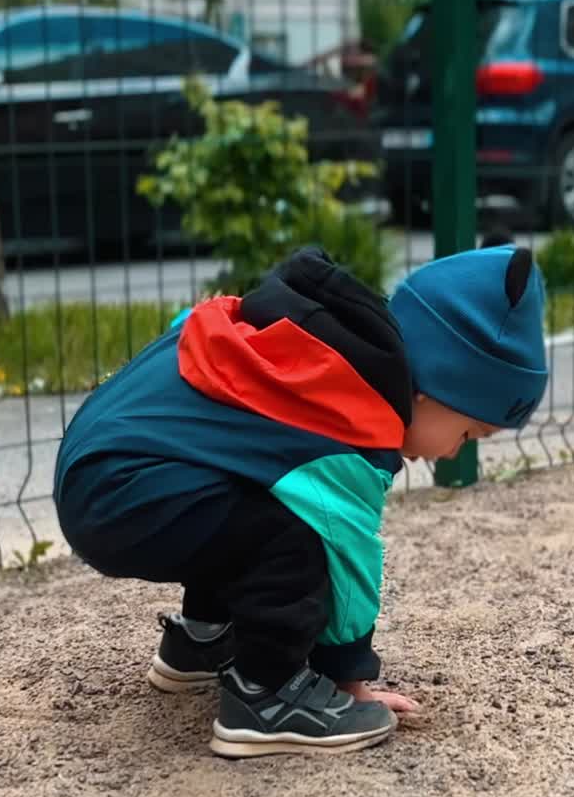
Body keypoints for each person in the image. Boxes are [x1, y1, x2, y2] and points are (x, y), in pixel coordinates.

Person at [53, 244, 548, 759]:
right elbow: (349, 555)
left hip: (103, 464)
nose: (450, 455)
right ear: (436, 387)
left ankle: (204, 641)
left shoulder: (314, 342)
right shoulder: (357, 418)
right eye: (468, 434)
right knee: (302, 534)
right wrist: (348, 679)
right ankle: (267, 698)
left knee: (252, 488)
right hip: (123, 490)